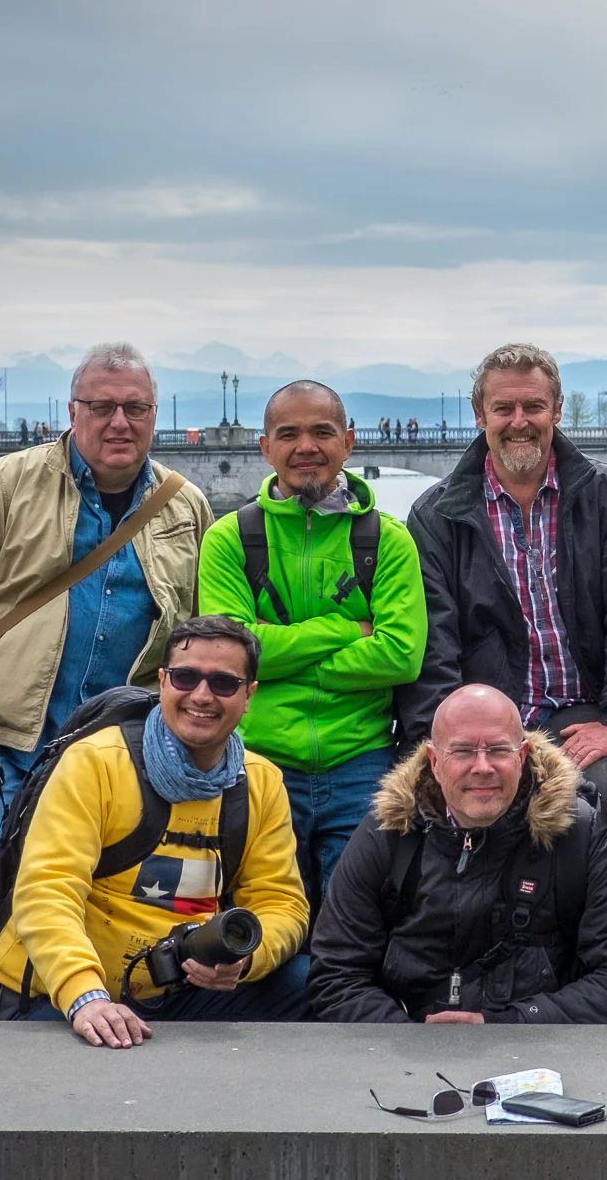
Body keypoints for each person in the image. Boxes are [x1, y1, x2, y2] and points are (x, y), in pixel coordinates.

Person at [0, 341, 213, 1018]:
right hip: (4, 746)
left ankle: (84, 1013)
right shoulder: (8, 483)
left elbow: (205, 634)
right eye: (101, 407)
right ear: (72, 411)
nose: (118, 422)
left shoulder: (184, 505)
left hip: (119, 760)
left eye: (135, 407)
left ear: (155, 414)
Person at [0, 616, 310, 1046]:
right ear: (163, 682)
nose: (202, 696)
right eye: (186, 678)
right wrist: (85, 996)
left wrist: (244, 959)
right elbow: (47, 890)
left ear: (248, 695)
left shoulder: (261, 782)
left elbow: (282, 903)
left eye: (223, 683)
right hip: (53, 996)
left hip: (180, 992)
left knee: (308, 983)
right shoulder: (95, 762)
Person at [400, 343, 607, 825]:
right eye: (504, 408)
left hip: (583, 711)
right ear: (480, 414)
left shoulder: (605, 495)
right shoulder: (436, 514)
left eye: (534, 407)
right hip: (485, 722)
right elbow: (432, 645)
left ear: (558, 410)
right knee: (433, 820)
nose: (519, 421)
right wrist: (445, 739)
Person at [197, 380, 427, 906]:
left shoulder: (388, 541)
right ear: (265, 447)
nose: (307, 446)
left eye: (323, 432)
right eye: (289, 433)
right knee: (260, 918)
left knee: (358, 923)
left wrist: (274, 661)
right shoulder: (229, 539)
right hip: (257, 762)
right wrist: (347, 630)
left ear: (348, 442)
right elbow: (226, 656)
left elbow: (401, 654)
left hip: (361, 764)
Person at [307, 683, 607, 1024]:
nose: (482, 766)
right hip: (407, 1056)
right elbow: (336, 974)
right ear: (433, 760)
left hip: (538, 1054)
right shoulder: (389, 832)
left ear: (522, 755)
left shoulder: (579, 832)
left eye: (498, 750)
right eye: (462, 751)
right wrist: (408, 1039)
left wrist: (510, 1024)